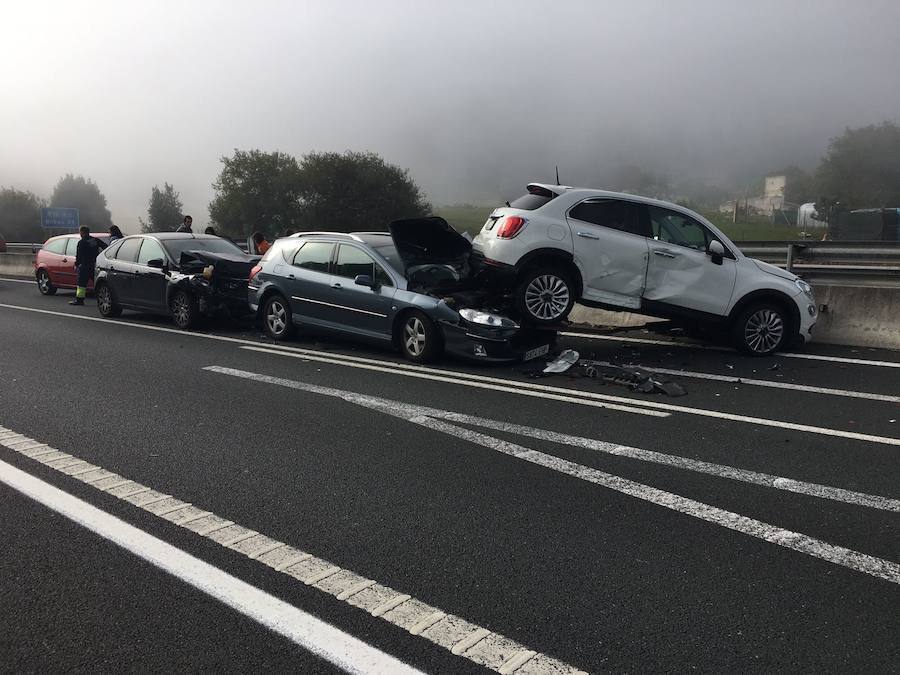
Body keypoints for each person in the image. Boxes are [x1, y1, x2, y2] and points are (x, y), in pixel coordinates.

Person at [70, 226, 107, 306]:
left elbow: (79, 255)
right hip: (95, 265)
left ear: (82, 232)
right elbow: (105, 247)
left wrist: (76, 264)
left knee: (81, 285)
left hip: (84, 266)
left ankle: (79, 300)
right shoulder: (94, 240)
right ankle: (102, 298)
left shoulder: (82, 242)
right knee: (97, 282)